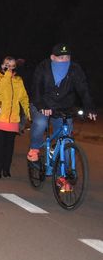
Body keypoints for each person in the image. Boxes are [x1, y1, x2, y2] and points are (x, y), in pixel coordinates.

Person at [27, 43, 96, 178]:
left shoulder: (75, 69)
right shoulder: (43, 67)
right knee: (40, 123)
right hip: (42, 103)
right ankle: (34, 150)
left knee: (67, 139)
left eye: (67, 57)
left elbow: (83, 89)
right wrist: (42, 106)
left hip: (64, 106)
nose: (64, 60)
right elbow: (36, 88)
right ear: (52, 57)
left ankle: (62, 175)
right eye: (60, 57)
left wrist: (89, 108)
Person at [0, 57, 30, 178]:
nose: (10, 67)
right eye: (7, 65)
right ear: (2, 65)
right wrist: (7, 75)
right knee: (0, 144)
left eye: (12, 66)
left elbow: (24, 98)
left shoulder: (18, 80)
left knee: (9, 146)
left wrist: (29, 114)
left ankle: (6, 169)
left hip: (13, 119)